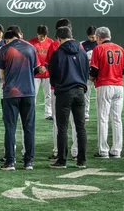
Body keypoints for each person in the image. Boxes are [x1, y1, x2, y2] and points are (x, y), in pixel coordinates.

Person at [0, 27, 38, 171]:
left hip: (11, 93)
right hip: (28, 92)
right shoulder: (31, 48)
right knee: (29, 128)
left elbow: (1, 75)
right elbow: (35, 69)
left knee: (10, 128)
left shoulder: (3, 50)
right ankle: (29, 162)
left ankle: (10, 162)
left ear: (7, 38)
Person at [48, 26, 89, 169]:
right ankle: (82, 160)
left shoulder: (58, 53)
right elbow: (86, 73)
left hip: (64, 92)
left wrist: (58, 86)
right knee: (80, 127)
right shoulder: (82, 52)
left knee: (62, 127)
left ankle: (62, 160)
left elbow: (52, 76)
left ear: (58, 39)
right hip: (79, 91)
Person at [90, 27, 124, 158]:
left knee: (103, 118)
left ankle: (103, 150)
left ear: (99, 37)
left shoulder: (98, 49)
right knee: (117, 119)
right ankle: (117, 150)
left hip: (105, 85)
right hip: (119, 86)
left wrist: (91, 79)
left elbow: (94, 71)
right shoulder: (120, 48)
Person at [28, 26, 54, 120]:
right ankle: (31, 113)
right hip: (35, 73)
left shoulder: (51, 42)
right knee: (33, 94)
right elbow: (29, 57)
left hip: (47, 73)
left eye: (44, 35)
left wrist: (46, 67)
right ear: (37, 33)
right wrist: (38, 67)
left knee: (49, 94)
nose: (42, 37)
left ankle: (48, 113)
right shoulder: (31, 43)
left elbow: (53, 57)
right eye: (40, 35)